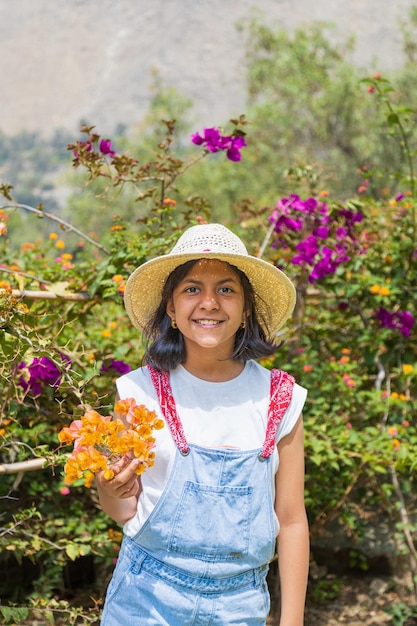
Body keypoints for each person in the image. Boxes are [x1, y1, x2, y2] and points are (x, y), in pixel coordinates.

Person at [96, 223, 309, 626]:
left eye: (226, 289)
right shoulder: (138, 394)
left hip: (239, 606)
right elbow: (124, 509)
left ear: (246, 308)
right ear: (172, 310)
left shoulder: (281, 398)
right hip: (145, 600)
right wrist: (107, 487)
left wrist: (292, 620)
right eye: (192, 289)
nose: (209, 302)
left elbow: (293, 518)